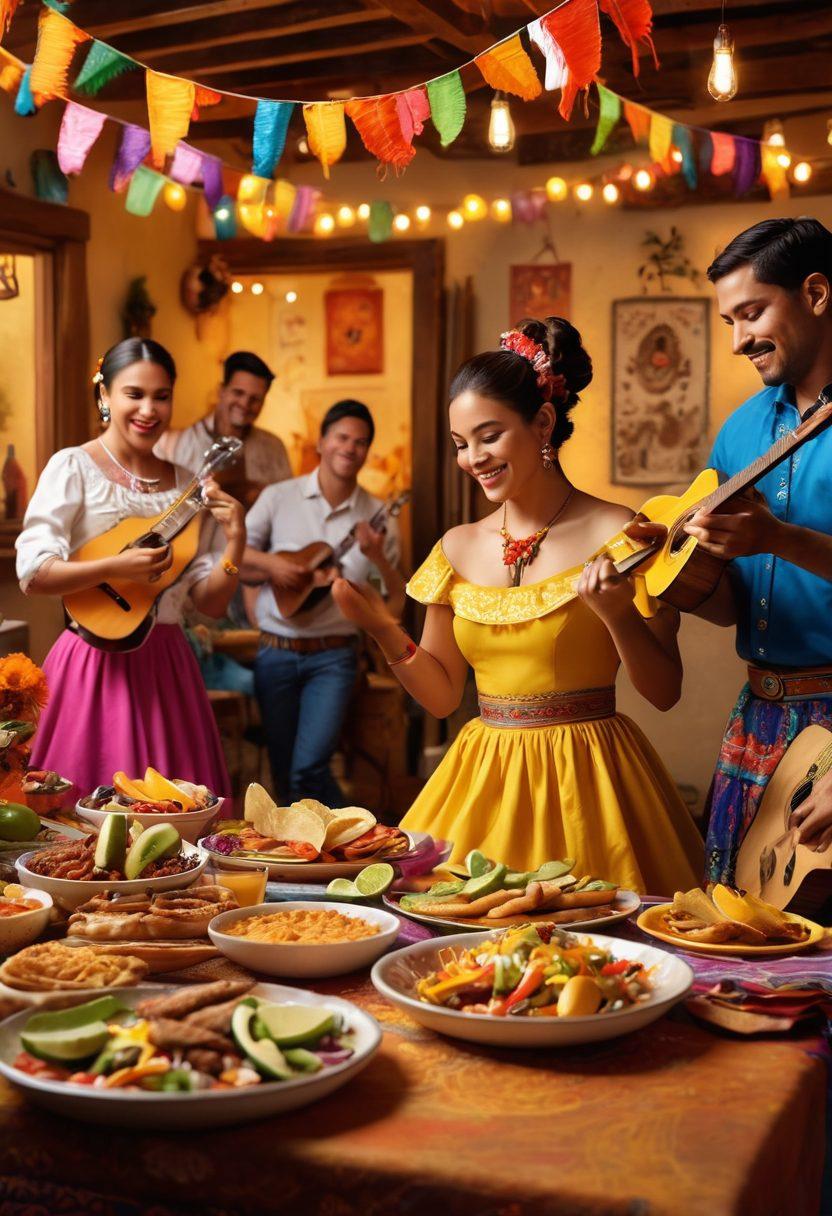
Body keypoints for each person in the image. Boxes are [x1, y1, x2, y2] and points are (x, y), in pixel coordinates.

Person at [332, 319, 703, 893]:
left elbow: (664, 690)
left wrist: (617, 614)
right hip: (485, 781)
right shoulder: (456, 547)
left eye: (489, 436)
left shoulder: (622, 532)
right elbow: (442, 696)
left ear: (544, 424)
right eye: (460, 445)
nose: (473, 458)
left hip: (592, 781)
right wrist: (383, 629)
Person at [640, 218, 832, 885]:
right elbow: (731, 608)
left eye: (750, 313)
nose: (738, 340)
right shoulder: (741, 429)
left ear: (816, 293)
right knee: (737, 939)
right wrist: (665, 577)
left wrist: (778, 537)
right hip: (757, 713)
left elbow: (771, 544)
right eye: (728, 321)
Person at [15, 338, 245, 801]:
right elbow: (33, 573)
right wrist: (117, 566)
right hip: (90, 669)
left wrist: (236, 539)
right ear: (105, 396)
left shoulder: (189, 484)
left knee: (176, 825)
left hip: (168, 668)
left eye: (161, 396)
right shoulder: (73, 467)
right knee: (76, 830)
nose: (149, 409)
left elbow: (209, 601)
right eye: (134, 394)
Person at [242, 399, 405, 806]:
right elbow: (235, 554)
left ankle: (366, 836)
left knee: (309, 767)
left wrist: (377, 557)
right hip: (275, 652)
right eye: (342, 437)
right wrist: (277, 567)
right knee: (282, 772)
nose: (350, 448)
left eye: (361, 442)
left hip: (334, 658)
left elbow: (394, 603)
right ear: (321, 441)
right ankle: (294, 861)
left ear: (368, 451)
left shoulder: (377, 515)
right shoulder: (279, 497)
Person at [155, 350, 291, 508]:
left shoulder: (274, 447)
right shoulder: (177, 444)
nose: (245, 404)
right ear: (221, 391)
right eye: (238, 393)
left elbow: (287, 509)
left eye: (255, 399)